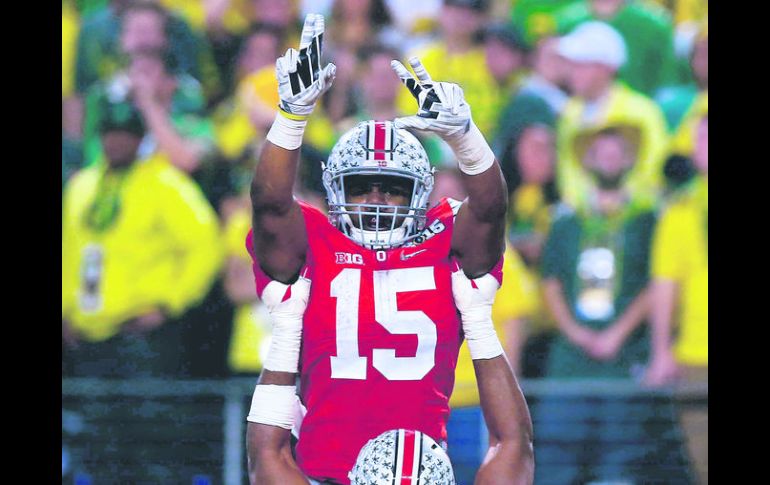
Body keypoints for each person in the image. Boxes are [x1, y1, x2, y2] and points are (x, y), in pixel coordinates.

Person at [245, 13, 531, 485]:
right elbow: (271, 204)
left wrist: (291, 118)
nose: (377, 199)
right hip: (380, 467)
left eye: (392, 188)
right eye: (362, 187)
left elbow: (490, 211)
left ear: (421, 192)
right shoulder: (317, 239)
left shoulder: (444, 235)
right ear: (336, 189)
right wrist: (467, 141)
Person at [62, 93, 222, 378]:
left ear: (140, 140)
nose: (117, 142)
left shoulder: (165, 184)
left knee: (140, 420)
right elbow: (68, 252)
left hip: (140, 335)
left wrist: (169, 303)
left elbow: (206, 245)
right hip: (82, 336)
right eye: (110, 133)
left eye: (127, 135)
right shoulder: (81, 186)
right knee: (87, 421)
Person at [644, 114, 707, 485]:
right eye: (699, 141)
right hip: (695, 357)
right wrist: (661, 351)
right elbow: (665, 284)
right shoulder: (680, 210)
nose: (702, 148)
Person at [555, 20, 669, 212]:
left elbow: (653, 170)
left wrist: (620, 201)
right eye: (571, 65)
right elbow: (567, 173)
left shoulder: (642, 111)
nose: (571, 72)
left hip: (634, 218)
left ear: (606, 68)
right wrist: (586, 203)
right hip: (584, 218)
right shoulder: (568, 113)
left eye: (581, 65)